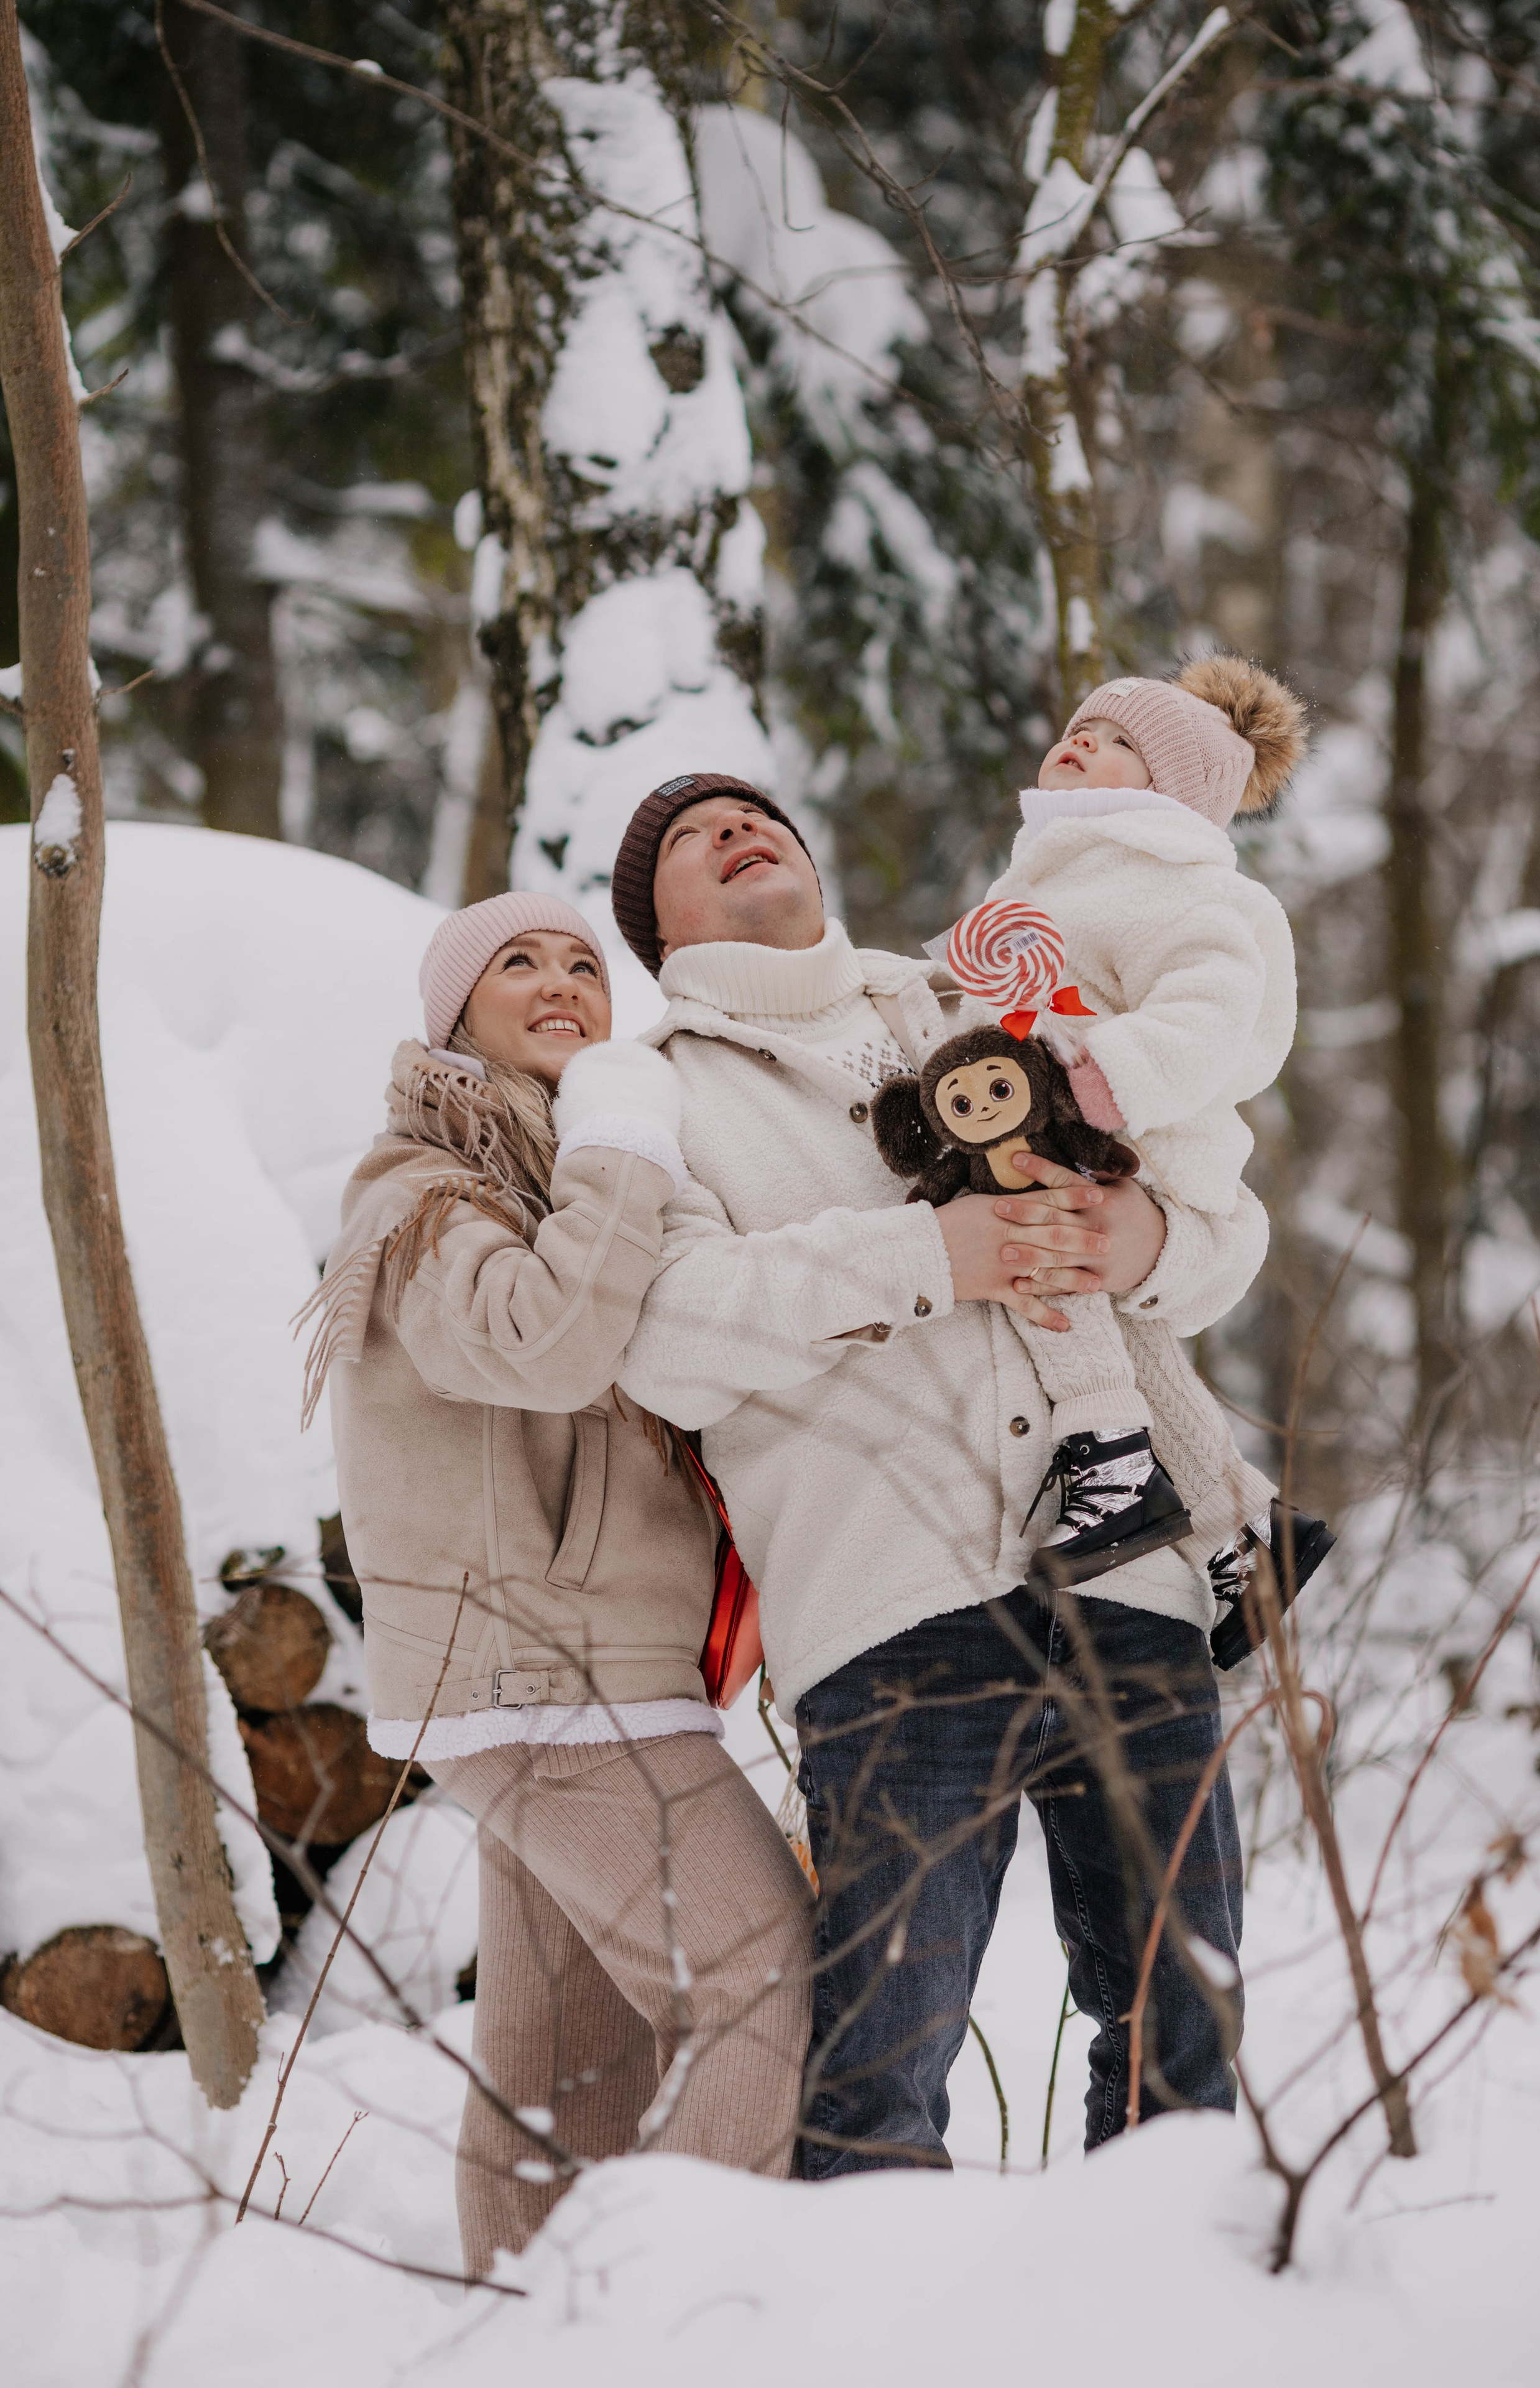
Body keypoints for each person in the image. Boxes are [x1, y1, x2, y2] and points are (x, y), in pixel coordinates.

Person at [609, 772, 1266, 2168]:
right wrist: (931, 1259)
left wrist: (1134, 1242)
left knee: (1184, 2039)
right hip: (891, 1614)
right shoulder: (654, 1090)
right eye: (687, 838)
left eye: (755, 813)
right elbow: (664, 1338)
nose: (736, 828)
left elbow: (1225, 1229)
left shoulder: (984, 1004)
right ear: (653, 926)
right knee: (877, 2077)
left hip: (1128, 1576)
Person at [303, 890, 811, 2274]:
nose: (559, 982)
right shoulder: (422, 1193)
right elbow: (542, 1348)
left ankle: (524, 2321)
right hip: (547, 1676)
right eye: (514, 962)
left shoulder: (544, 1179)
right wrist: (623, 1141)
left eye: (584, 963)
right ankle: (661, 2317)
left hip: (577, 1673)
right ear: (451, 1013)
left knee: (567, 2073)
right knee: (768, 1987)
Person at [983, 657, 1330, 1627]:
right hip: (1067, 1122)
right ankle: (1247, 1525)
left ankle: (1113, 1461)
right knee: (1139, 1348)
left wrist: (1112, 1073)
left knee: (1048, 1265)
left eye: (1124, 743)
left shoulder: (1172, 875)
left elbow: (1218, 1005)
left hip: (1133, 1135)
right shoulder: (1047, 871)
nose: (1087, 741)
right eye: (1086, 727)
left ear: (1174, 794)